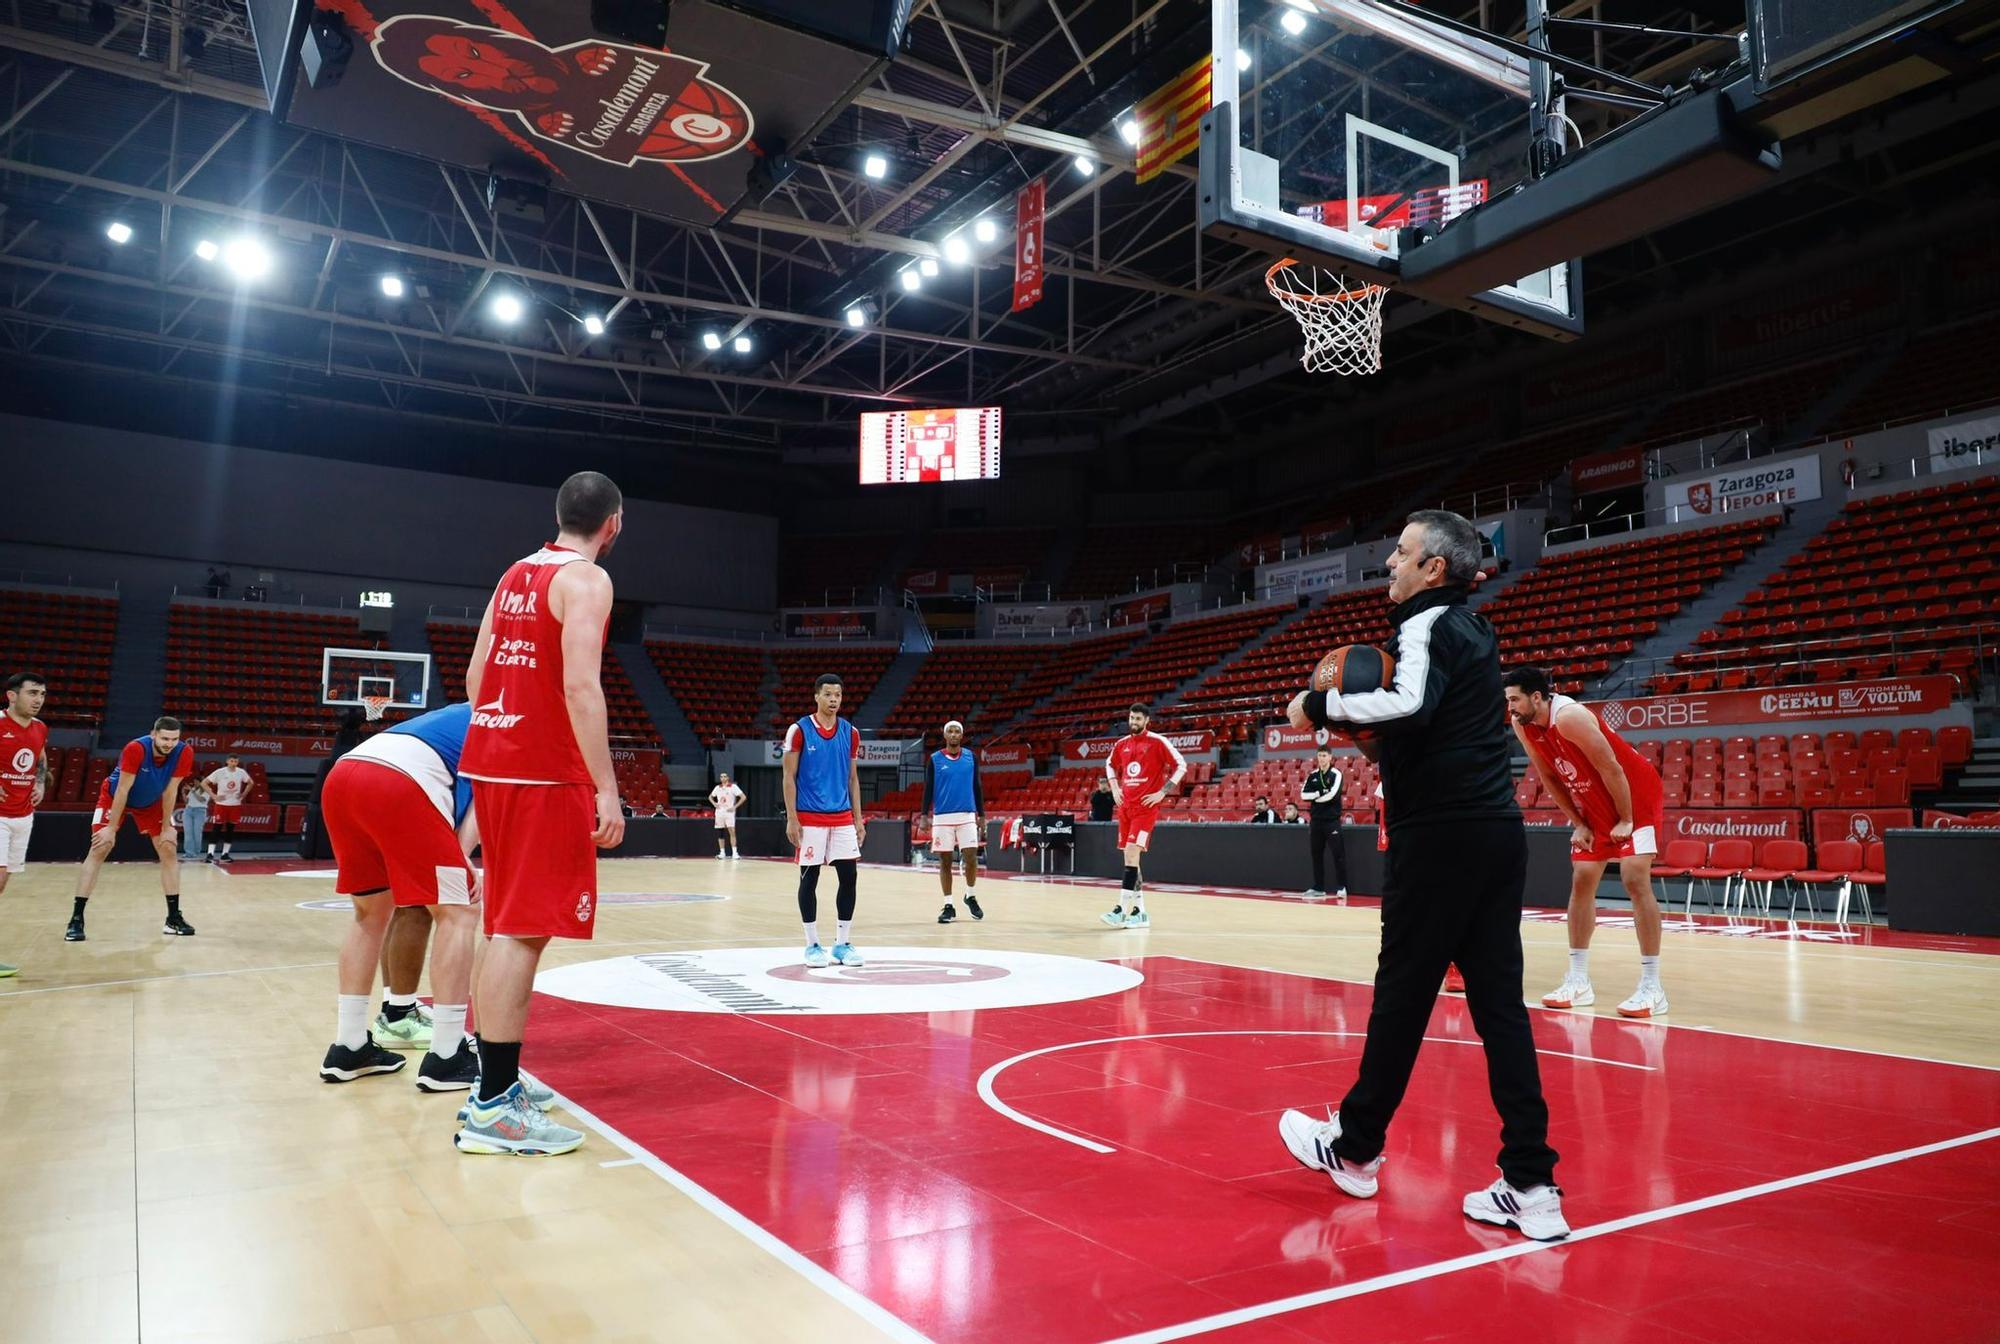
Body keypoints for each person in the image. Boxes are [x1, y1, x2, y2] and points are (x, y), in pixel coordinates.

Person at [1277, 509, 1566, 1242]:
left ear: (1434, 569)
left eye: (1401, 554)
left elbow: (1408, 703)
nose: (1390, 566)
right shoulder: (1475, 629)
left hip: (1440, 839)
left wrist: (1319, 706)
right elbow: (1426, 726)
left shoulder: (1426, 621)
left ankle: (1353, 1149)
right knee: (1501, 1007)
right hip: (1496, 835)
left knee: (1403, 997)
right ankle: (1532, 1185)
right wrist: (1374, 742)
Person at [456, 470, 626, 1156]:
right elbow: (581, 686)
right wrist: (605, 787)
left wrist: (504, 732)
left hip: (492, 760)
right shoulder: (586, 581)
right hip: (542, 774)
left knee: (504, 926)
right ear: (613, 523)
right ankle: (494, 1108)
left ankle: (493, 1083)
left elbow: (476, 677)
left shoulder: (515, 573)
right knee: (521, 932)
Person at [316, 701, 488, 1091]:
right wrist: (461, 853)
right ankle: (447, 1055)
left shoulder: (462, 712)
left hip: (345, 773)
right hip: (401, 781)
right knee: (459, 912)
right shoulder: (517, 719)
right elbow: (486, 795)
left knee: (369, 915)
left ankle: (350, 1046)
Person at [1504, 666, 1669, 1018]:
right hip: (1593, 800)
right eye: (1508, 701)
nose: (1511, 708)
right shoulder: (1523, 724)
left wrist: (1625, 819)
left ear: (1537, 697)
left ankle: (1653, 986)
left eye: (1515, 699)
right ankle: (1578, 980)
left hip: (1633, 794)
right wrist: (1578, 822)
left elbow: (1612, 767)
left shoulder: (1570, 718)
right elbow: (1548, 775)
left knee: (1634, 877)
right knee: (1581, 879)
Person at [68, 715, 197, 941]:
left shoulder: (184, 752)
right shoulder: (136, 748)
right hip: (115, 796)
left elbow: (170, 791)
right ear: (153, 734)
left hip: (152, 801)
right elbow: (122, 790)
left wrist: (166, 826)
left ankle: (173, 917)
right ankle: (76, 919)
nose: (169, 743)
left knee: (168, 849)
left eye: (174, 739)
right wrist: (110, 828)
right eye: (165, 738)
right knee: (100, 847)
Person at [782, 674, 866, 967]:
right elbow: (788, 777)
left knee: (850, 878)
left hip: (842, 817)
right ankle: (812, 944)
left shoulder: (851, 732)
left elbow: (853, 778)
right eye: (828, 694)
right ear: (816, 696)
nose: (834, 700)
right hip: (809, 818)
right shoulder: (799, 730)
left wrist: (859, 818)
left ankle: (842, 944)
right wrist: (792, 818)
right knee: (810, 879)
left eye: (838, 695)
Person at [1099, 704, 1186, 930]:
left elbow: (1181, 765)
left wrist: (1162, 792)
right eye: (1131, 717)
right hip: (1125, 808)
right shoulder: (1122, 744)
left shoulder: (1158, 742)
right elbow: (1109, 764)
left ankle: (1120, 910)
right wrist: (1115, 788)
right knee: (1131, 861)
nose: (1133, 722)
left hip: (1145, 809)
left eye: (1137, 718)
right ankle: (1140, 913)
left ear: (1147, 720)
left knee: (1130, 855)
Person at [1, 672, 52, 976]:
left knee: (3, 883)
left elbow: (40, 758)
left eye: (42, 695)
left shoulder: (40, 728)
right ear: (11, 695)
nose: (38, 700)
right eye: (32, 693)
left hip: (23, 815)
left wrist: (41, 783)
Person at [928, 720, 985, 924]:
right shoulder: (935, 759)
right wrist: (925, 814)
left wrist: (982, 814)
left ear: (962, 735)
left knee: (970, 857)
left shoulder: (971, 757)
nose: (953, 734)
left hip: (967, 815)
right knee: (945, 861)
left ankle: (970, 895)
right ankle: (948, 904)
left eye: (957, 731)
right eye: (950, 731)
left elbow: (977, 786)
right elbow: (928, 788)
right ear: (945, 736)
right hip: (942, 816)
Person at [1302, 745, 1349, 899]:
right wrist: (1318, 793)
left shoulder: (1336, 774)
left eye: (1324, 755)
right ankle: (1318, 887)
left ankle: (1342, 887)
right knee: (1316, 854)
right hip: (1316, 821)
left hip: (1331, 821)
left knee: (1338, 854)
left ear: (1330, 757)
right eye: (1319, 755)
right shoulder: (1313, 775)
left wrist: (1315, 797)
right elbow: (1303, 795)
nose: (1321, 758)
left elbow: (1333, 795)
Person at [203, 753, 253, 863]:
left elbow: (250, 783)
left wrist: (243, 794)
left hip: (235, 804)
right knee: (216, 829)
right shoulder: (219, 772)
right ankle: (210, 854)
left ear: (238, 762)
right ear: (227, 761)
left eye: (235, 761)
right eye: (232, 761)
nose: (233, 763)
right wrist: (213, 796)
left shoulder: (241, 772)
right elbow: (204, 783)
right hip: (221, 804)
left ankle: (225, 854)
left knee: (230, 829)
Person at [708, 772, 746, 858]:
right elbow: (710, 796)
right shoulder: (717, 788)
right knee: (720, 832)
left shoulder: (733, 787)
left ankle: (734, 853)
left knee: (732, 831)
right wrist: (714, 803)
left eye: (725, 776)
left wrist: (735, 807)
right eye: (721, 776)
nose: (723, 778)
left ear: (728, 778)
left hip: (729, 812)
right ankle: (722, 853)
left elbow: (743, 797)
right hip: (719, 812)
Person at [179, 777, 211, 861]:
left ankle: (196, 851)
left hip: (200, 811)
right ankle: (189, 853)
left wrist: (192, 791)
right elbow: (186, 801)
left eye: (197, 782)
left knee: (197, 832)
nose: (195, 784)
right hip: (188, 810)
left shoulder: (207, 790)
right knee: (188, 832)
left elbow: (201, 800)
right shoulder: (193, 789)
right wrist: (183, 792)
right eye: (194, 782)